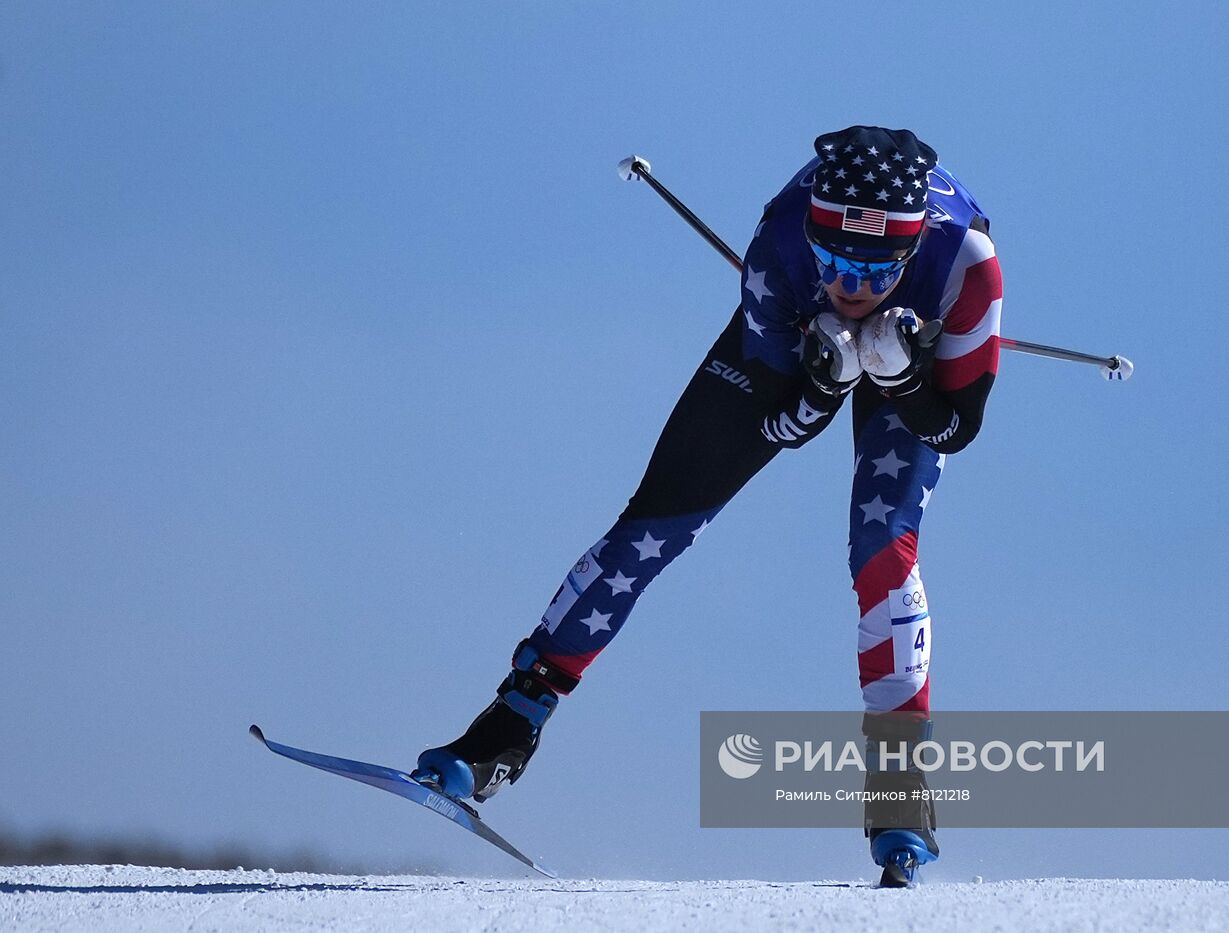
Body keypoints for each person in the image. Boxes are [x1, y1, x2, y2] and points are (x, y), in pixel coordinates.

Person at [413, 125, 1003, 884]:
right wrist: (822, 384)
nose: (849, 287)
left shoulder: (967, 266)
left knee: (882, 547)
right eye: (835, 263)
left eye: (871, 268)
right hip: (794, 340)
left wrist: (900, 380)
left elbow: (957, 423)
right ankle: (500, 732)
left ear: (910, 253)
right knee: (653, 524)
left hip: (918, 357)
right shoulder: (782, 248)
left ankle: (901, 791)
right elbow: (776, 422)